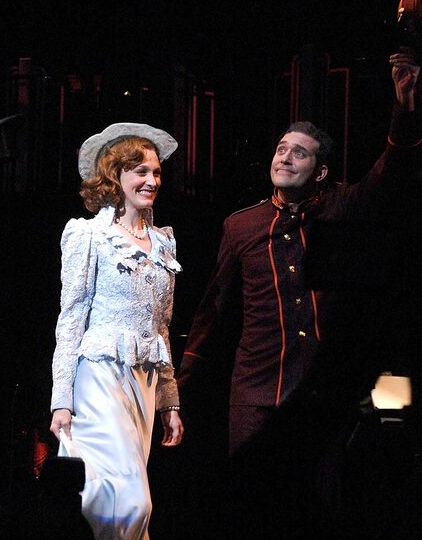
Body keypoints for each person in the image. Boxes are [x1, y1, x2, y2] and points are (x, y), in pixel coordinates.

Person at [177, 51, 422, 457]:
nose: (285, 157)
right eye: (281, 149)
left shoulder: (341, 206)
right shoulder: (241, 225)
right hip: (256, 394)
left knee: (317, 509)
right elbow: (212, 312)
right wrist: (178, 388)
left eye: (299, 153)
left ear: (321, 172)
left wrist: (406, 107)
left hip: (322, 398)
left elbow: (393, 168)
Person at [49, 123, 185, 540]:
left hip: (144, 382)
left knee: (124, 502)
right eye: (140, 171)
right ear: (116, 177)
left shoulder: (163, 242)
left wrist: (170, 401)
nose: (151, 181)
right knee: (129, 502)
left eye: (157, 172)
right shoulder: (89, 235)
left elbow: (161, 326)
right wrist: (61, 399)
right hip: (100, 376)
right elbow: (70, 318)